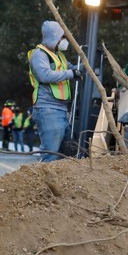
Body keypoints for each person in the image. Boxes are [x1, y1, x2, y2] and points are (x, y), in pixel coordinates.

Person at [28, 20, 80, 162]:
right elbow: (45, 75)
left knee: (64, 152)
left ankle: (56, 183)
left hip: (61, 109)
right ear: (54, 37)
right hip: (48, 109)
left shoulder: (58, 55)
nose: (64, 41)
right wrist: (71, 74)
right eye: (62, 37)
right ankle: (43, 183)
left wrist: (81, 69)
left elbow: (72, 68)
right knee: (51, 154)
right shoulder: (39, 55)